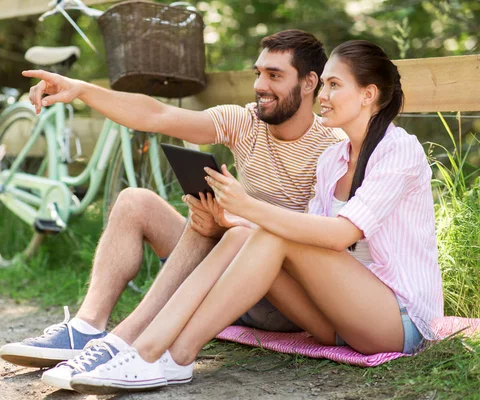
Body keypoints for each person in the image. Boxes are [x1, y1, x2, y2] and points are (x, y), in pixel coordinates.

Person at [64, 40, 445, 393]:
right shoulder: (334, 159)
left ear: (368, 94)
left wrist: (248, 208)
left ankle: (162, 354)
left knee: (266, 231)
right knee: (242, 235)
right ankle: (158, 352)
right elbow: (306, 240)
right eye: (324, 86)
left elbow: (339, 236)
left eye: (333, 86)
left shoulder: (399, 151)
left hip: (399, 321)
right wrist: (235, 222)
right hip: (336, 320)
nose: (323, 97)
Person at [0, 30, 345, 388]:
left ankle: (127, 340)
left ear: (309, 83)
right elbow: (157, 114)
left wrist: (236, 220)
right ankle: (86, 329)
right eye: (258, 73)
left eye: (274, 75)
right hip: (224, 269)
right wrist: (83, 90)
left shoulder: (333, 148)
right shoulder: (245, 122)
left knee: (240, 231)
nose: (259, 84)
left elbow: (326, 241)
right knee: (136, 201)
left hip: (283, 299)